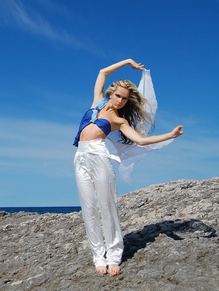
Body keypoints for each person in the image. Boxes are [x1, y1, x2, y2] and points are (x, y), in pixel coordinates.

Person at [73, 59, 183, 276]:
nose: (121, 100)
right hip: (80, 156)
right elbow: (102, 72)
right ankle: (98, 256)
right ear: (111, 93)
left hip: (98, 154)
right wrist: (127, 62)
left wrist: (170, 135)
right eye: (118, 96)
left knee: (107, 204)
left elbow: (140, 141)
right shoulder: (96, 101)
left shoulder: (120, 121)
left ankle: (113, 255)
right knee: (88, 206)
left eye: (124, 98)